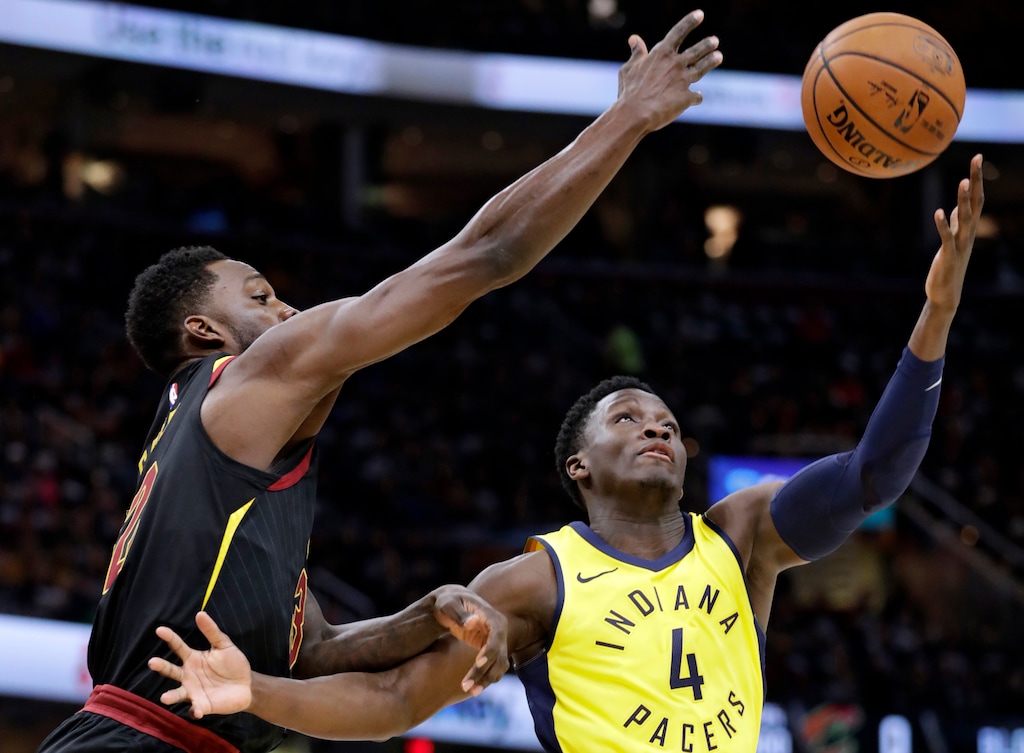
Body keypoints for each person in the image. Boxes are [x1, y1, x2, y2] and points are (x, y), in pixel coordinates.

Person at [35, 9, 723, 753]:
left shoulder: (204, 467)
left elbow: (315, 652)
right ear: (203, 332)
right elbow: (485, 254)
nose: (288, 310)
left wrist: (428, 614)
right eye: (261, 297)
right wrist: (627, 118)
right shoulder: (243, 381)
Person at [147, 153, 986, 752]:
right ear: (578, 465)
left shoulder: (744, 534)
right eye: (626, 417)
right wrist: (258, 691)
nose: (656, 427)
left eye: (665, 420)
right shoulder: (535, 580)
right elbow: (397, 698)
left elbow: (875, 472)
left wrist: (937, 314)